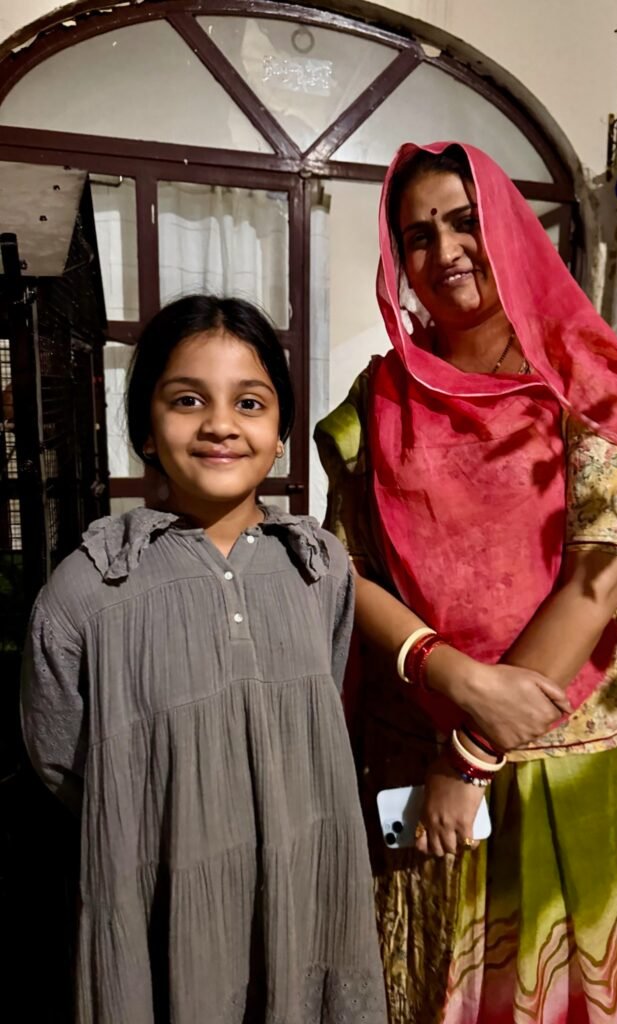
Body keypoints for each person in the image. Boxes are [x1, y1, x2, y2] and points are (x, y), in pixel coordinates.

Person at [315, 143, 617, 1024]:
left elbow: (599, 577)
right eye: (417, 235)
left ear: (512, 231)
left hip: (561, 755)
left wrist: (474, 757)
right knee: (418, 979)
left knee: (545, 989)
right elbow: (345, 566)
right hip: (415, 740)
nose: (444, 251)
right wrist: (448, 674)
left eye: (465, 221)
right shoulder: (379, 399)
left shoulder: (584, 384)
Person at [21, 295, 387, 1024]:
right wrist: (167, 802)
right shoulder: (89, 589)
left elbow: (324, 704)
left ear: (280, 431)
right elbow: (60, 755)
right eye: (187, 399)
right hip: (163, 901)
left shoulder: (321, 569)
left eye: (249, 402)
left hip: (305, 888)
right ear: (147, 430)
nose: (220, 423)